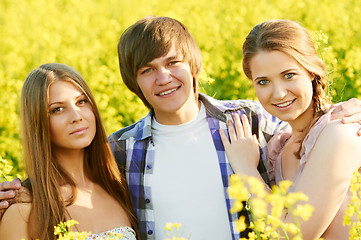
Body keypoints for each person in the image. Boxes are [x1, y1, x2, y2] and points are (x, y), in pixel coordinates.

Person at [1, 16, 361, 240]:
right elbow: (68, 180)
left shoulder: (248, 120)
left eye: (173, 62)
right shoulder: (120, 152)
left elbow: (304, 125)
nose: (164, 78)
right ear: (134, 83)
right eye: (147, 70)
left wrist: (345, 112)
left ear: (193, 66)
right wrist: (16, 192)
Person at [220, 19, 361, 239]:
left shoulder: (339, 133)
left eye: (289, 75)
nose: (278, 94)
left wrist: (247, 170)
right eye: (263, 82)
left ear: (312, 72)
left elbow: (292, 235)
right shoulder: (280, 149)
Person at [0, 63, 138, 240]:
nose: (76, 116)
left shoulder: (119, 186)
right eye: (57, 109)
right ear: (38, 123)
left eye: (82, 101)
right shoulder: (24, 210)